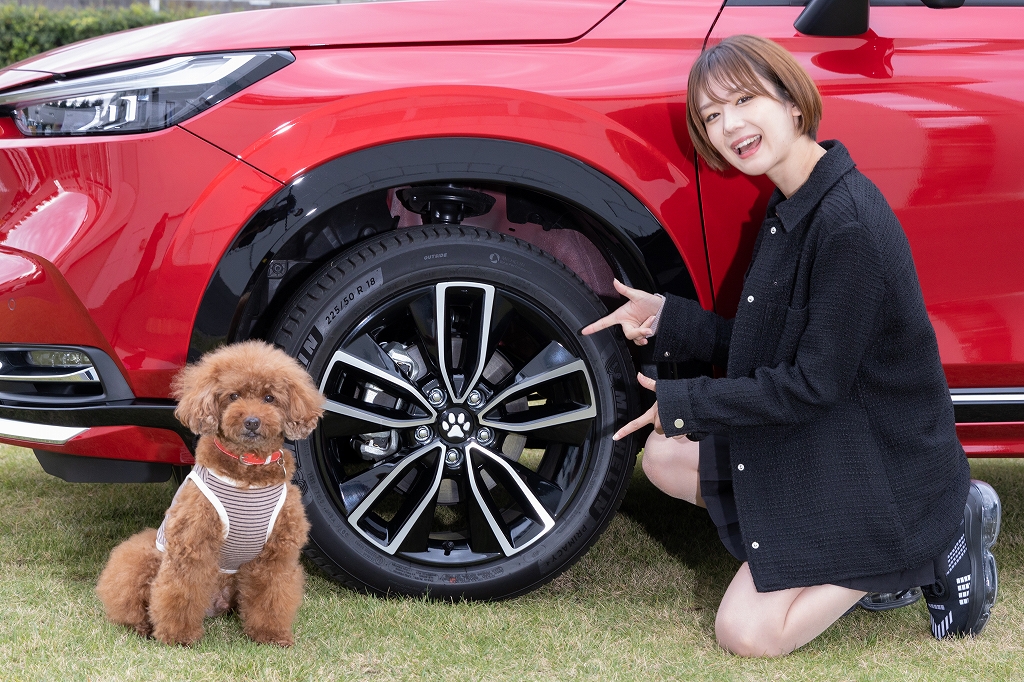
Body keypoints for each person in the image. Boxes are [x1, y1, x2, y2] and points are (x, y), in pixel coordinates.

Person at [582, 35, 1001, 657]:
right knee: (665, 459)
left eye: (743, 101)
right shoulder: (796, 203)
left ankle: (932, 539)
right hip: (830, 437)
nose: (729, 126)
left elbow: (810, 386)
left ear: (794, 103)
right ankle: (857, 553)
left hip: (879, 466)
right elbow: (773, 350)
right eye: (712, 116)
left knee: (746, 634)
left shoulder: (845, 223)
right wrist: (672, 319)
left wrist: (688, 401)